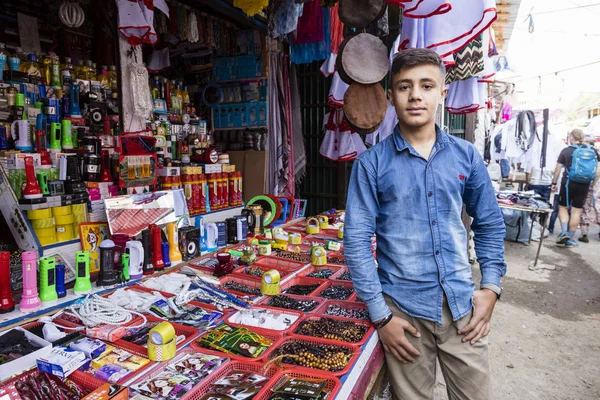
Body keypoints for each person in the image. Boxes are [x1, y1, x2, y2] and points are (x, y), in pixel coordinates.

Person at [344, 48, 506, 400]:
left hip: (463, 310)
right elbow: (356, 242)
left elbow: (490, 224)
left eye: (426, 85)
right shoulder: (371, 164)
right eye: (404, 86)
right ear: (390, 96)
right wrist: (381, 317)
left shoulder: (466, 156)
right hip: (403, 314)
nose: (415, 95)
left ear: (442, 93)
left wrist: (491, 287)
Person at [551, 129, 600, 247]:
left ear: (571, 137)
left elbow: (557, 169)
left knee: (563, 207)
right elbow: (598, 171)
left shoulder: (567, 150)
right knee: (576, 210)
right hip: (584, 184)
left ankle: (564, 233)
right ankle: (570, 239)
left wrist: (554, 183)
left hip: (568, 182)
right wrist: (593, 184)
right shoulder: (593, 150)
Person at [579, 137, 600, 242]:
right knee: (598, 209)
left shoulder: (581, 153)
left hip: (585, 184)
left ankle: (584, 233)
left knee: (585, 209)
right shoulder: (596, 156)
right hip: (597, 187)